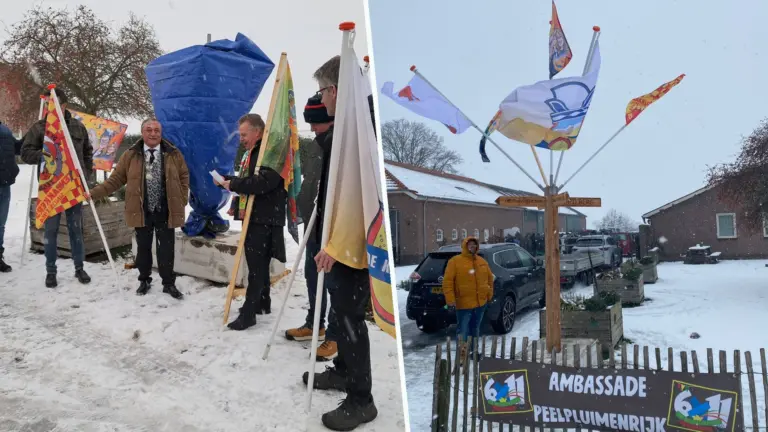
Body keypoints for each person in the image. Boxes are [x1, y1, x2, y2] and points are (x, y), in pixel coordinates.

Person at [301, 55, 378, 431]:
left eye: (322, 92)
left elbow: (354, 196)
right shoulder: (344, 131)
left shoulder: (357, 131)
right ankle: (345, 371)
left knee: (349, 316)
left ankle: (362, 400)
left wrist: (336, 243)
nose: (322, 100)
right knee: (340, 309)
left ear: (335, 90)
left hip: (350, 245)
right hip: (337, 241)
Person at [88, 118, 188, 299]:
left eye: (156, 130)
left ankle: (168, 283)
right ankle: (144, 280)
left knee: (167, 248)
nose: (153, 133)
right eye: (149, 130)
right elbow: (115, 180)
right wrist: (94, 193)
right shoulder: (131, 155)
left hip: (166, 210)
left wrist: (182, 198)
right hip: (141, 209)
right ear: (143, 133)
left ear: (160, 133)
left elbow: (184, 176)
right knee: (143, 248)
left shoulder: (173, 154)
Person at [216, 113, 287, 330]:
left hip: (264, 218)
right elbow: (250, 182)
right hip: (259, 215)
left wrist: (234, 184)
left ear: (257, 132)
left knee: (256, 267)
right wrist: (228, 182)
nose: (241, 139)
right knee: (260, 265)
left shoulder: (270, 151)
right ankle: (262, 302)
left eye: (244, 134)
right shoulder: (254, 152)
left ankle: (249, 313)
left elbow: (263, 183)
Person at [284, 94, 339, 362]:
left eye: (317, 123)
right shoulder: (318, 145)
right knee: (312, 275)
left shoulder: (339, 145)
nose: (313, 128)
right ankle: (315, 323)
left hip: (333, 228)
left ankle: (336, 336)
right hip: (314, 225)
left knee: (334, 283)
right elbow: (312, 180)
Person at [21, 88, 93, 288]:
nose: (53, 109)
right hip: (51, 189)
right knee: (50, 232)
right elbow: (25, 152)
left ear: (64, 105)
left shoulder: (78, 127)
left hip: (73, 188)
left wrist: (87, 179)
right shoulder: (39, 128)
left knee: (75, 230)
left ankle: (79, 268)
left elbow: (88, 154)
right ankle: (50, 271)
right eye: (49, 106)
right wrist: (45, 155)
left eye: (57, 105)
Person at [442, 237, 493, 357]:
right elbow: (447, 282)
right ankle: (462, 356)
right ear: (465, 246)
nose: (472, 247)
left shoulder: (482, 261)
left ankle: (474, 352)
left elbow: (490, 279)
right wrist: (450, 301)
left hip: (480, 303)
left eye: (474, 245)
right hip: (463, 304)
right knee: (463, 331)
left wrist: (488, 294)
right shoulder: (455, 261)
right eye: (470, 245)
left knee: (475, 330)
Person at [0, 121, 22, 272]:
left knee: (0, 224)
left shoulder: (5, 131)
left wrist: (31, 136)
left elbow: (17, 148)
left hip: (4, 184)